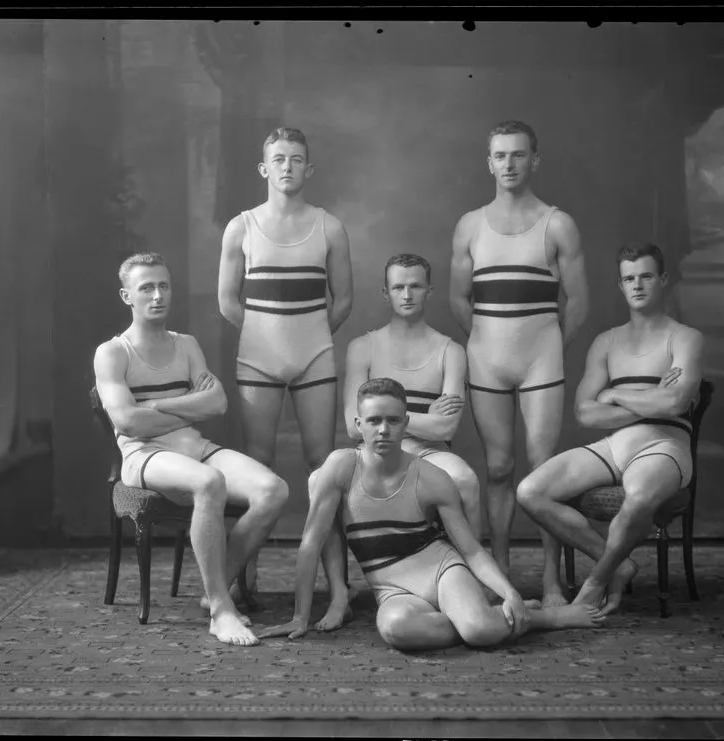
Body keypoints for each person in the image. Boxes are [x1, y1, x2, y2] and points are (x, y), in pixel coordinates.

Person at [259, 378, 606, 650]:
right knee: (394, 629)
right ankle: (486, 616)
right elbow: (310, 544)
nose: (383, 429)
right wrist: (299, 617)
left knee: (480, 632)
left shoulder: (431, 477)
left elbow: (470, 549)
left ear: (406, 422)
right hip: (393, 589)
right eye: (374, 420)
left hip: (441, 571)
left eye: (393, 421)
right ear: (358, 424)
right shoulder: (341, 468)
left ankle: (537, 617)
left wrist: (509, 591)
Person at [93, 252, 289, 646]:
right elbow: (128, 423)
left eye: (163, 285)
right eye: (146, 288)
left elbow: (217, 404)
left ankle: (214, 583)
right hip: (144, 456)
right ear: (126, 296)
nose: (157, 295)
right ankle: (220, 609)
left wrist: (156, 406)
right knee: (209, 482)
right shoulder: (113, 352)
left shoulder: (186, 345)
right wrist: (185, 407)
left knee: (273, 491)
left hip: (195, 447)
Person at [516, 243, 705, 616]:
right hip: (612, 446)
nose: (637, 285)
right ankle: (619, 564)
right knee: (530, 491)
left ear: (663, 280)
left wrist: (615, 393)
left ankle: (595, 583)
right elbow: (585, 413)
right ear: (620, 286)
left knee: (637, 496)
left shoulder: (684, 338)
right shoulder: (606, 341)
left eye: (646, 276)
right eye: (629, 278)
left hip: (665, 445)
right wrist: (650, 396)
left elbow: (675, 404)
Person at [217, 127, 354, 631]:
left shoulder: (329, 227)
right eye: (279, 159)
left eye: (297, 159)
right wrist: (265, 338)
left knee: (325, 469)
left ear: (309, 169)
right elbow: (228, 301)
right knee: (260, 469)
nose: (288, 167)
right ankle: (242, 584)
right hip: (258, 359)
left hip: (315, 356)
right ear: (264, 168)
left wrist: (308, 336)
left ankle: (337, 590)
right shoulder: (241, 227)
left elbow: (343, 300)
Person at [449, 120, 589, 607]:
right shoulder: (470, 225)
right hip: (487, 361)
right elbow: (458, 299)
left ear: (535, 160)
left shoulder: (557, 223)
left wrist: (545, 347)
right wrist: (488, 344)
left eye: (518, 155)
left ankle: (552, 582)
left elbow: (578, 303)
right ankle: (501, 576)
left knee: (542, 473)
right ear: (488, 162)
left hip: (540, 365)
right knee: (500, 468)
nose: (508, 164)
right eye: (500, 156)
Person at [342, 253, 483, 539]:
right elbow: (351, 425)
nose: (406, 295)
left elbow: (445, 427)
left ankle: (471, 572)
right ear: (386, 293)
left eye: (416, 286)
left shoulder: (451, 352)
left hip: (431, 452)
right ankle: (338, 582)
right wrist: (422, 419)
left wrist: (379, 417)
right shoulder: (362, 348)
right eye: (397, 287)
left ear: (429, 291)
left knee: (466, 480)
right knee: (324, 481)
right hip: (373, 453)